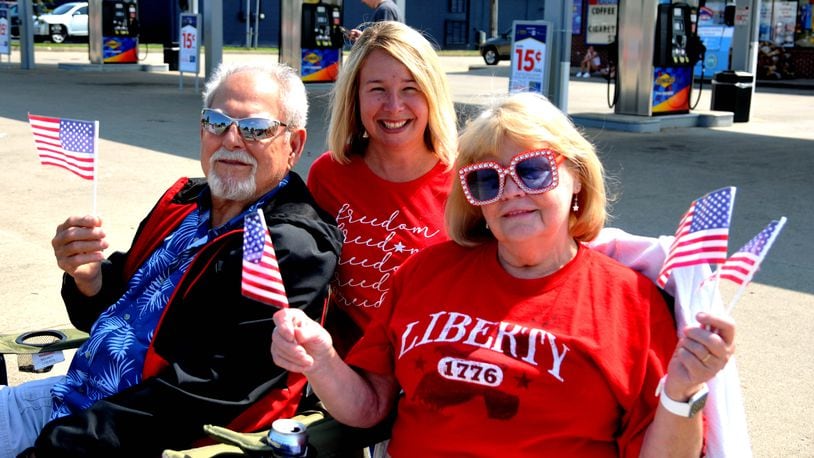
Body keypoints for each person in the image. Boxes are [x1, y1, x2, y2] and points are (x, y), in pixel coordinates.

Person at [271, 91, 736, 456]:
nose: (510, 191)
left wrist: (682, 392)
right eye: (487, 180)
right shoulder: (425, 273)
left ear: (577, 178)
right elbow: (369, 407)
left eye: (532, 171)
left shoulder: (631, 303)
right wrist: (321, 359)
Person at [1, 62, 343, 457]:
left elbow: (215, 389)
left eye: (255, 129)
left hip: (125, 437)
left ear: (294, 146)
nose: (231, 139)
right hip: (69, 396)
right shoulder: (184, 203)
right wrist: (88, 280)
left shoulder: (284, 245)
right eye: (217, 122)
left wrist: (60, 444)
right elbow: (109, 308)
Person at [307, 21, 458, 353]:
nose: (393, 106)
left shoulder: (468, 181)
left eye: (410, 88)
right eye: (377, 89)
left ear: (432, 94)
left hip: (431, 370)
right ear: (355, 97)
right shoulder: (329, 175)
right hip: (348, 375)